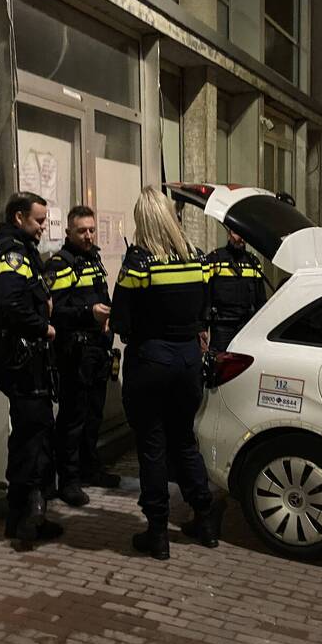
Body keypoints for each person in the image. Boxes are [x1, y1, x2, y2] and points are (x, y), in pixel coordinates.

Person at [110, 186, 218, 560]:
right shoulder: (197, 258)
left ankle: (157, 533)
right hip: (188, 362)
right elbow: (205, 308)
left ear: (143, 221)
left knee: (152, 446)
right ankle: (205, 520)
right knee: (185, 441)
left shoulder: (139, 263)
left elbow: (120, 319)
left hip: (151, 362)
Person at [0, 192, 61, 548]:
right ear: (18, 218)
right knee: (35, 433)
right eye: (38, 220)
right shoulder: (13, 252)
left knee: (26, 431)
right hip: (22, 356)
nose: (43, 227)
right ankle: (29, 518)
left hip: (10, 354)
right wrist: (44, 328)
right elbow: (11, 302)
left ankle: (17, 516)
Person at [44, 206, 121, 508]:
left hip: (97, 351)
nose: (88, 235)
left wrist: (108, 318)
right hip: (74, 354)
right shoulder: (59, 265)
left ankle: (91, 468)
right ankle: (69, 480)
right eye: (82, 231)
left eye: (91, 229)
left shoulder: (94, 260)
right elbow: (56, 313)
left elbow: (103, 298)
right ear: (68, 232)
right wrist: (89, 313)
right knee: (73, 419)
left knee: (94, 415)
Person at [205, 230, 267, 352]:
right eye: (236, 233)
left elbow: (261, 299)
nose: (241, 238)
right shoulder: (215, 259)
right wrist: (202, 327)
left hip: (246, 326)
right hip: (222, 326)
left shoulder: (253, 262)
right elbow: (205, 296)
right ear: (229, 234)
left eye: (243, 235)